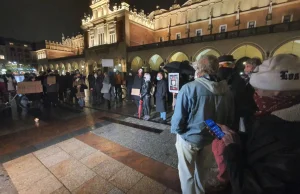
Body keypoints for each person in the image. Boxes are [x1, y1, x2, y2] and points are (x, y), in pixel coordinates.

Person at [218, 54, 300, 194]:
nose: (255, 94)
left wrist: (231, 149)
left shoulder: (288, 135)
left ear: (277, 92)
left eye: (258, 89)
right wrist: (238, 139)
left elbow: (250, 188)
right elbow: (260, 150)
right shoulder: (272, 116)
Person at [171, 55, 234, 194]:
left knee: (186, 173)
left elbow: (177, 121)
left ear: (198, 69)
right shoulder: (227, 91)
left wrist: (180, 132)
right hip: (210, 139)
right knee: (202, 172)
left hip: (189, 138)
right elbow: (229, 119)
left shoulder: (189, 88)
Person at [218, 55, 255, 131]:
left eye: (224, 65)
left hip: (236, 116)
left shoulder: (239, 80)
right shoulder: (219, 79)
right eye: (220, 65)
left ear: (232, 65)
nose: (222, 68)